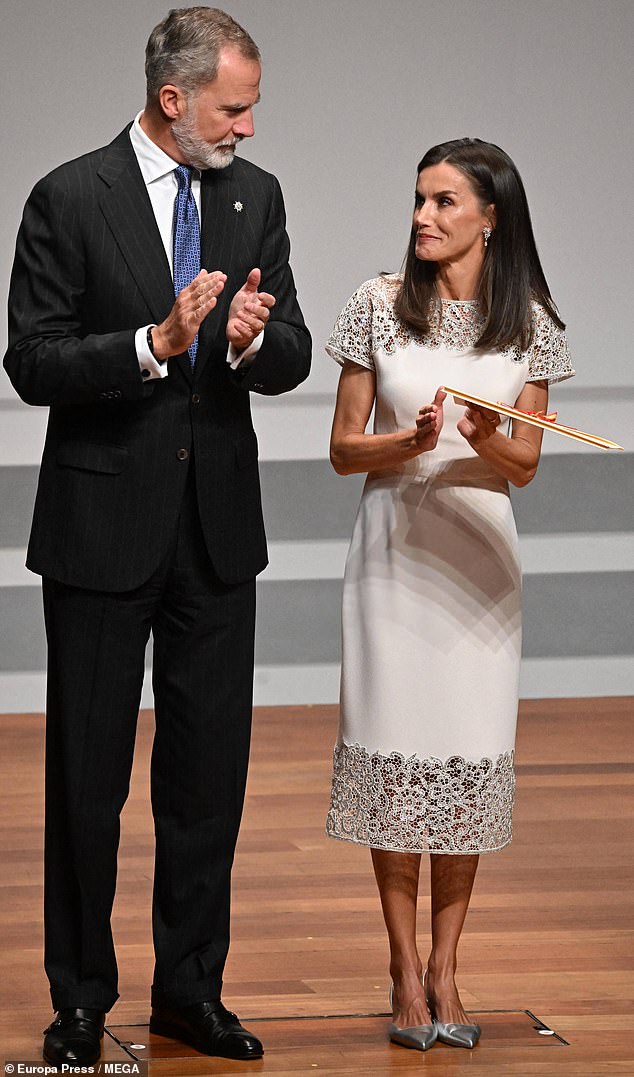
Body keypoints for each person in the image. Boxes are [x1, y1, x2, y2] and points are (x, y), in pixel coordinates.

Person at [4, 6, 310, 1066]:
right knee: (87, 781)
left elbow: (294, 353)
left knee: (205, 781)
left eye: (252, 106)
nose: (250, 128)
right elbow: (33, 360)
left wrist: (252, 338)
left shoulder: (253, 196)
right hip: (100, 529)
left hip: (217, 535)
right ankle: (82, 999)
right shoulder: (67, 197)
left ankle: (190, 992)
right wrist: (153, 342)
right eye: (235, 107)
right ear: (173, 99)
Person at [325, 138, 573, 1052]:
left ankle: (447, 968)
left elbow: (526, 465)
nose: (424, 217)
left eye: (444, 202)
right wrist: (412, 436)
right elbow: (346, 447)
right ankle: (400, 967)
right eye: (420, 200)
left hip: (479, 564)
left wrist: (478, 434)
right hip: (392, 555)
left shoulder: (532, 324)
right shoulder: (375, 305)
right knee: (397, 759)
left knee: (462, 761)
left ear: (491, 216)